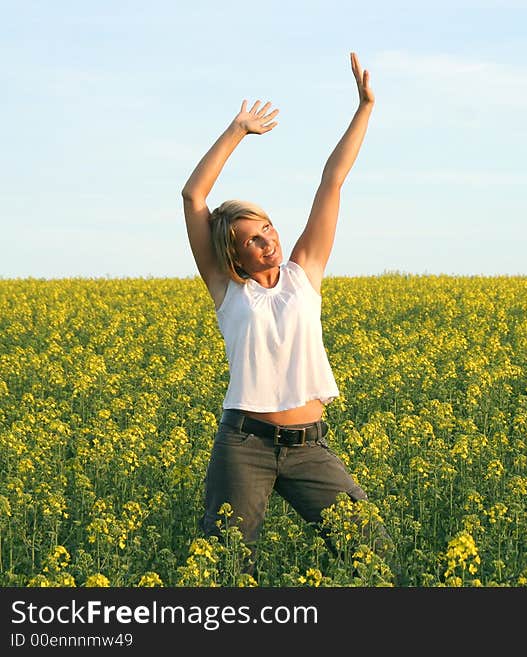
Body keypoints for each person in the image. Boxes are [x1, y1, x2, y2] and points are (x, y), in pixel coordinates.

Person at [181, 52, 395, 582]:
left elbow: (332, 182)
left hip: (309, 446)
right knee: (227, 569)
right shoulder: (228, 291)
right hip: (244, 446)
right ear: (234, 256)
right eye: (252, 239)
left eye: (269, 228)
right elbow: (193, 196)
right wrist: (237, 130)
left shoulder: (305, 273)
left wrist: (364, 108)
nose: (268, 241)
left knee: (374, 555)